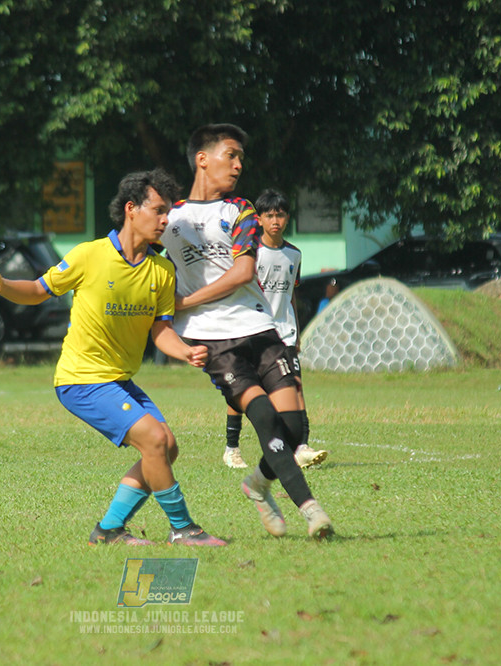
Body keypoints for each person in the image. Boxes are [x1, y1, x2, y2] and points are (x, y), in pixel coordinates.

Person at [0, 168, 226, 547]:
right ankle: (183, 529)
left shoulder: (161, 270)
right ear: (131, 208)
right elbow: (38, 290)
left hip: (118, 380)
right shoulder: (89, 255)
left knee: (166, 447)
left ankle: (109, 530)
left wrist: (186, 351)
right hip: (81, 379)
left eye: (168, 211)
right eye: (159, 210)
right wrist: (3, 286)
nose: (165, 220)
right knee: (156, 439)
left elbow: (160, 331)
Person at [161, 123, 334, 539]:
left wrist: (183, 303)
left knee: (292, 429)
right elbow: (141, 263)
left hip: (260, 327)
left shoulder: (240, 211)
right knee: (263, 419)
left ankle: (256, 483)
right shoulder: (170, 219)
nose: (238, 165)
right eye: (230, 155)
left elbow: (242, 272)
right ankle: (312, 512)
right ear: (203, 158)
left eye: (241, 158)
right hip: (214, 340)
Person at [221, 188, 328, 471]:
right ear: (259, 219)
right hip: (251, 330)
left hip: (285, 333)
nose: (275, 221)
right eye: (269, 215)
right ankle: (232, 447)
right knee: (241, 390)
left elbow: (291, 294)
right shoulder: (250, 253)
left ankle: (301, 447)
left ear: (287, 218)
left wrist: (297, 331)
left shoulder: (294, 254)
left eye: (279, 215)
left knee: (296, 387)